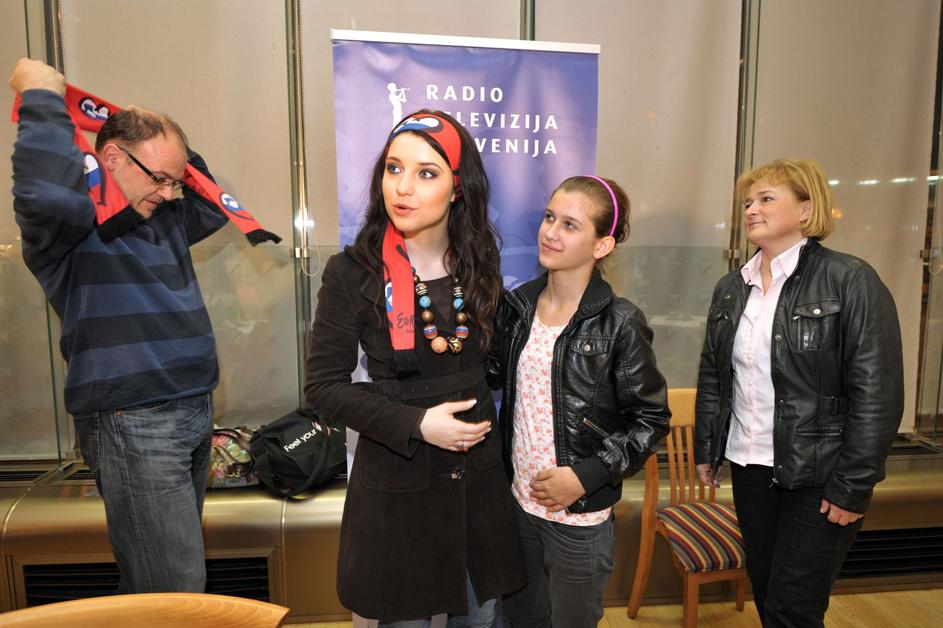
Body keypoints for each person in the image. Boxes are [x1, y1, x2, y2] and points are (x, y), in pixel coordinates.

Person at [10, 58, 232, 592]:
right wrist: (42, 98)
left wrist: (145, 130)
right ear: (110, 158)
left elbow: (214, 203)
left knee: (159, 581)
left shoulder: (163, 213)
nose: (169, 192)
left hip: (191, 409)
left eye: (174, 180)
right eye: (159, 179)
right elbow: (42, 191)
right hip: (133, 421)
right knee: (173, 592)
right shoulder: (71, 227)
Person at [304, 110, 525, 626]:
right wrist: (418, 423)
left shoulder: (479, 262)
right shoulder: (353, 272)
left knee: (479, 616)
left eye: (426, 173)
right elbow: (324, 387)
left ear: (458, 188)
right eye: (394, 168)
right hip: (399, 477)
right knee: (406, 620)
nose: (403, 187)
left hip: (476, 480)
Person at [694, 159, 904, 627]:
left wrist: (854, 484)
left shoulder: (850, 279)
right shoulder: (731, 287)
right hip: (750, 467)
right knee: (769, 597)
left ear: (806, 211)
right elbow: (715, 375)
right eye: (748, 202)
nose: (751, 209)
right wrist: (708, 447)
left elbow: (878, 394)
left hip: (820, 474)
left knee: (794, 608)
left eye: (766, 199)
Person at [488, 175, 670, 628]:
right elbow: (488, 375)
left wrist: (584, 477)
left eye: (570, 225)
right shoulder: (517, 307)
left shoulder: (620, 323)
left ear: (602, 245)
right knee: (522, 620)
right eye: (549, 217)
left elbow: (650, 420)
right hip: (518, 505)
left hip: (579, 516)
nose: (550, 232)